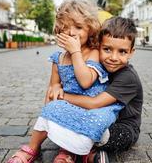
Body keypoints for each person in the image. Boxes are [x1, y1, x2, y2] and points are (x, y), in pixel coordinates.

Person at [7, 0, 124, 163]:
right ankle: (32, 148)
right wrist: (55, 88)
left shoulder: (93, 53)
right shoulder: (59, 58)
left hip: (90, 107)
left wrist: (76, 52)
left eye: (78, 27)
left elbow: (86, 82)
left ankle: (68, 151)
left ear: (90, 29)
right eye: (65, 27)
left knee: (92, 123)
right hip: (68, 105)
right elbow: (53, 85)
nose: (71, 32)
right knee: (51, 107)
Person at [53, 16, 143, 163]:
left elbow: (93, 103)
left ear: (131, 52)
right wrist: (56, 85)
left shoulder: (128, 77)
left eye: (122, 52)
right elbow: (74, 83)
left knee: (100, 132)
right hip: (99, 117)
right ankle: (87, 152)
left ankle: (87, 152)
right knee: (79, 123)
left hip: (122, 126)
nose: (113, 57)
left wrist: (62, 97)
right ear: (98, 46)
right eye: (107, 49)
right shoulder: (96, 66)